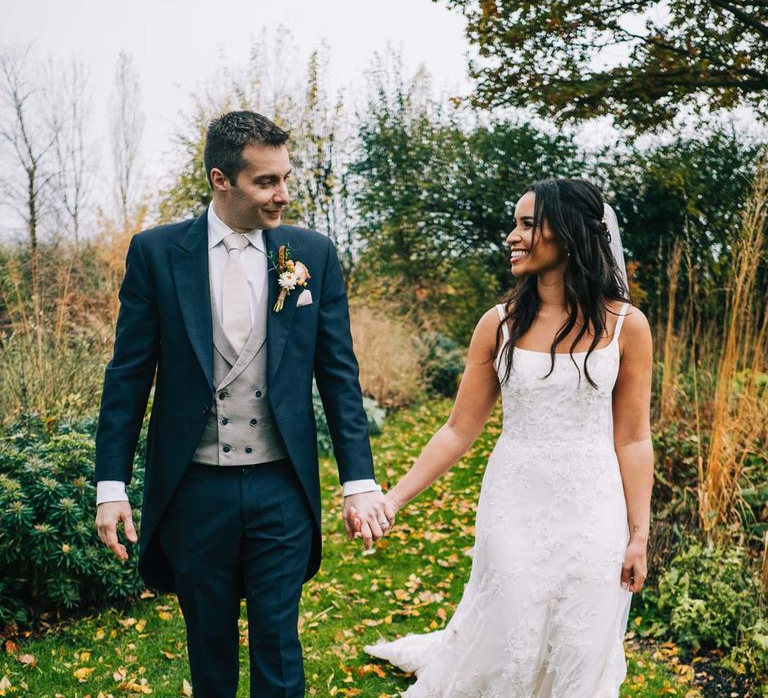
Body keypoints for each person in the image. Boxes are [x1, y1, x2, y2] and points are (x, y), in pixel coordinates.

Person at [93, 110, 392, 698]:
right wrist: (111, 486)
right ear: (220, 180)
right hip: (194, 488)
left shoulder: (312, 254)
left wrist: (359, 479)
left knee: (278, 646)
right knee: (209, 648)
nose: (283, 195)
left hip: (282, 486)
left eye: (285, 178)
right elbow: (127, 376)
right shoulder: (156, 254)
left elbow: (338, 373)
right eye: (266, 182)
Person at [364, 179, 654, 696]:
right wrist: (394, 499)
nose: (511, 236)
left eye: (526, 224)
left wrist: (638, 534)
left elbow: (632, 438)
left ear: (567, 235)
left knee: (580, 642)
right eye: (514, 224)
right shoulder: (497, 326)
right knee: (511, 638)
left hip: (594, 509)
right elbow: (458, 429)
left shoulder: (627, 326)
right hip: (513, 504)